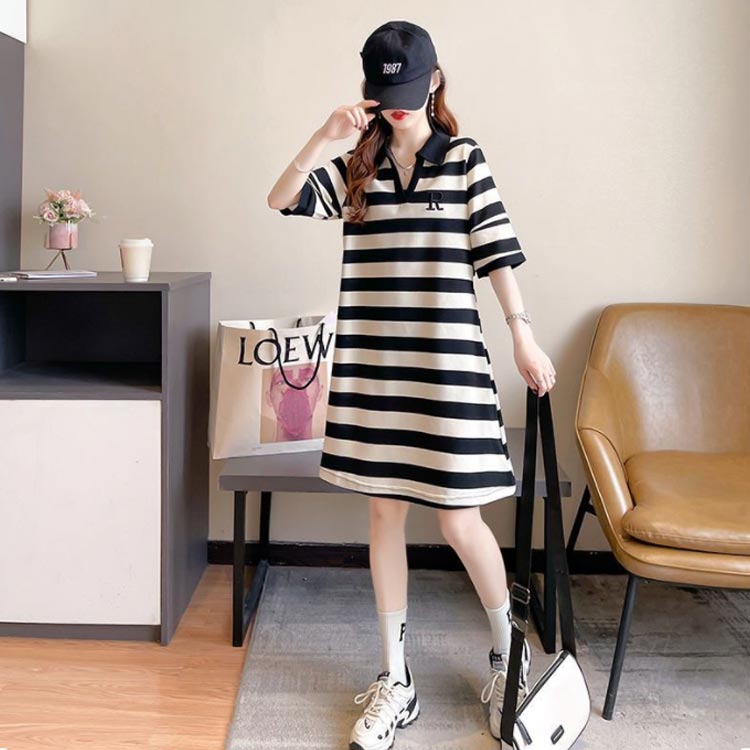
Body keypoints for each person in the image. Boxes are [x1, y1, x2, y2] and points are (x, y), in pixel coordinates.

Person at [267, 19, 556, 750]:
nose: (396, 104)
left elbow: (496, 252)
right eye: (383, 92)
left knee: (460, 522)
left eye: (409, 89)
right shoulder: (356, 168)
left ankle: (509, 658)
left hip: (447, 366)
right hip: (373, 369)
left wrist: (521, 332)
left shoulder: (462, 157)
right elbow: (280, 198)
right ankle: (395, 678)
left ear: (434, 81)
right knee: (384, 516)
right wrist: (323, 136)